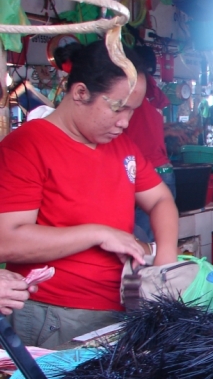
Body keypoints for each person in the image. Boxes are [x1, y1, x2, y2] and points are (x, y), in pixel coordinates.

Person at [0, 40, 179, 348]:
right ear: (80, 93)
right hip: (56, 317)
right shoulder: (27, 146)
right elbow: (7, 240)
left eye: (132, 111)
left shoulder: (122, 146)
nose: (124, 122)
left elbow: (161, 200)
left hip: (119, 310)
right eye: (117, 108)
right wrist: (97, 234)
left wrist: (164, 265)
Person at [124, 45, 175, 243]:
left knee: (145, 239)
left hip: (150, 171)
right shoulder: (148, 94)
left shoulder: (137, 91)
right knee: (148, 239)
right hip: (161, 169)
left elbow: (161, 201)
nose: (122, 120)